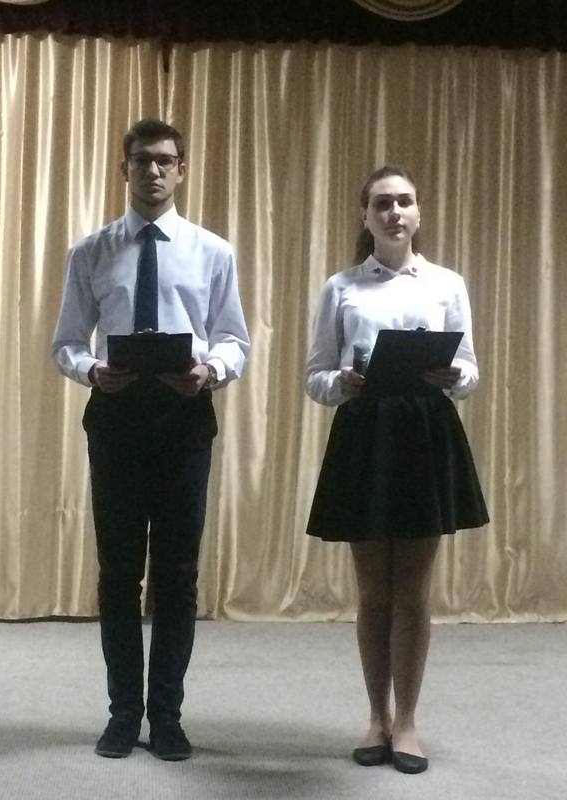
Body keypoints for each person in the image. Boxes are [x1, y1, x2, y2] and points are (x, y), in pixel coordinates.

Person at [52, 119, 249, 761]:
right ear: (125, 169)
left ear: (182, 170)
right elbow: (66, 342)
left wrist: (209, 371)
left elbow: (234, 339)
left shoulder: (212, 252)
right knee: (117, 573)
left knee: (178, 573)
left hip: (184, 417)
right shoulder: (90, 252)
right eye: (142, 161)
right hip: (116, 416)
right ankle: (122, 714)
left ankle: (166, 715)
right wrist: (92, 370)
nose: (154, 171)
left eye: (166, 161)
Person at [305, 165, 488, 775]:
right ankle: (375, 717)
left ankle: (407, 721)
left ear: (418, 213)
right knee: (373, 591)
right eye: (382, 203)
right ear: (365, 215)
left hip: (425, 436)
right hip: (365, 435)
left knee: (412, 590)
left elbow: (469, 370)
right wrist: (342, 382)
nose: (394, 213)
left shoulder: (446, 283)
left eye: (404, 202)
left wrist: (454, 375)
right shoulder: (341, 287)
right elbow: (316, 377)